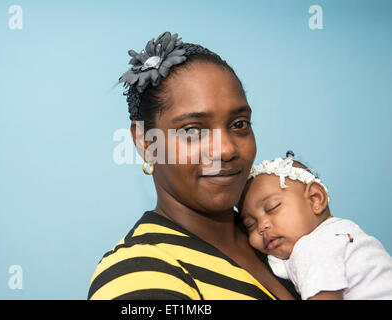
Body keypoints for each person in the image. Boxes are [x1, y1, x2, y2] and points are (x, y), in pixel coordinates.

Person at [88, 31, 298, 300]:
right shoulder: (138, 274)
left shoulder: (275, 237)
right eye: (192, 130)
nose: (226, 149)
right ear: (146, 142)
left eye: (239, 124)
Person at [238, 151, 392, 300]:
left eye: (272, 207)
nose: (262, 226)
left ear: (315, 199)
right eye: (250, 225)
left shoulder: (312, 246)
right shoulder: (341, 232)